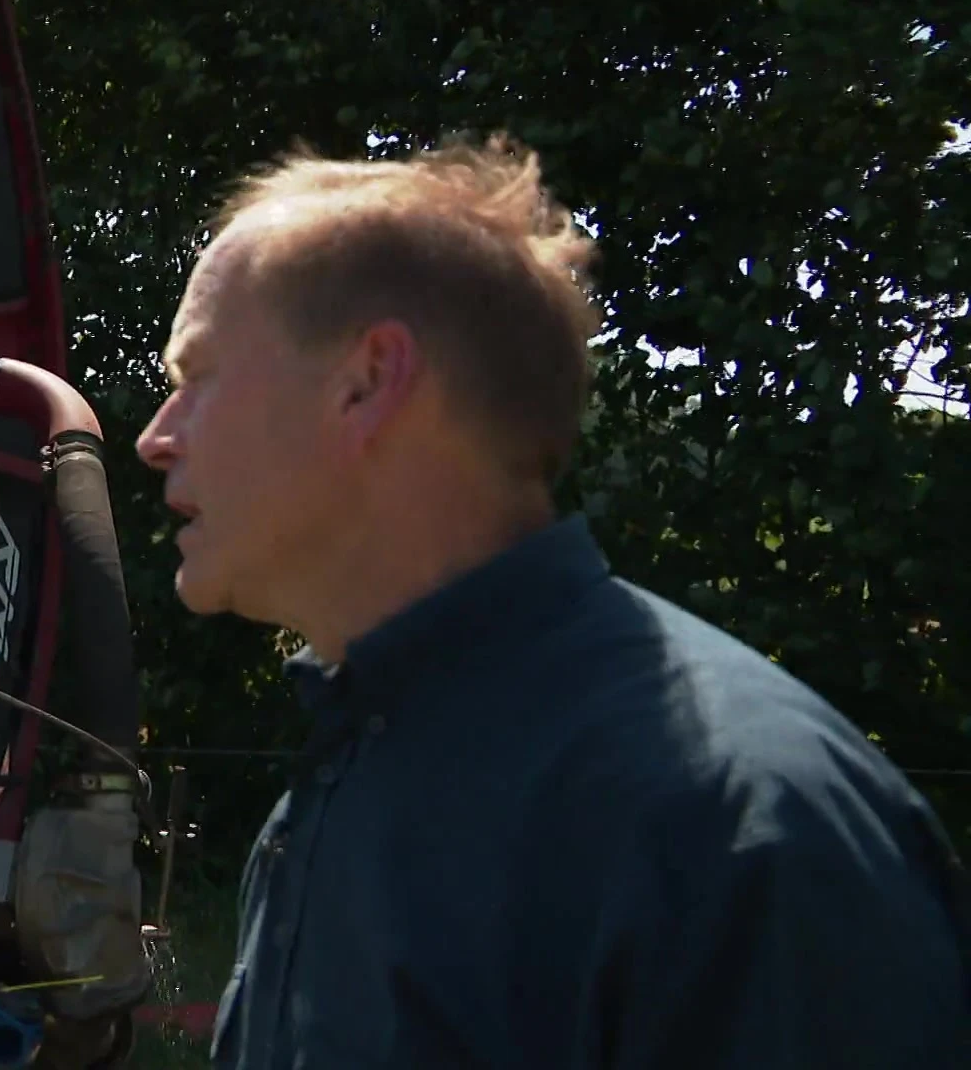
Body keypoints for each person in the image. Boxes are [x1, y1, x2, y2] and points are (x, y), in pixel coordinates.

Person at [132, 133, 971, 1069]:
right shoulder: (348, 785)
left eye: (195, 377)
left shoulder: (737, 831)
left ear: (367, 381)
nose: (156, 438)